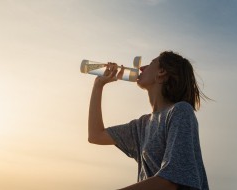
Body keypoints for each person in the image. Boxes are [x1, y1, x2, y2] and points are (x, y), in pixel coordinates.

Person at [87, 51, 209, 190]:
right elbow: (96, 135)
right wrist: (98, 85)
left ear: (161, 72)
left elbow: (171, 182)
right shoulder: (142, 125)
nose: (141, 68)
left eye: (150, 63)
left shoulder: (180, 112)